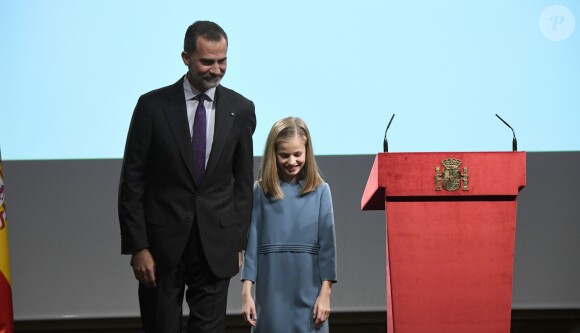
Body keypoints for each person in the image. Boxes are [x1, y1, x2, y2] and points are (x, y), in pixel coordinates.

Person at [118, 21, 256, 333]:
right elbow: (132, 182)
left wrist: (238, 242)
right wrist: (138, 246)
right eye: (207, 61)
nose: (216, 69)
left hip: (216, 246)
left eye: (222, 61)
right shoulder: (152, 106)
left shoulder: (241, 108)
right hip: (160, 249)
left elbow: (243, 185)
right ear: (185, 58)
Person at [241, 117, 337, 333]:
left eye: (297, 154)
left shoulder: (321, 191)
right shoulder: (260, 191)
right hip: (271, 289)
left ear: (307, 152)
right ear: (273, 154)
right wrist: (246, 294)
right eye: (284, 155)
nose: (291, 161)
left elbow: (328, 249)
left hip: (309, 290)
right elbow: (252, 247)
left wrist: (325, 294)